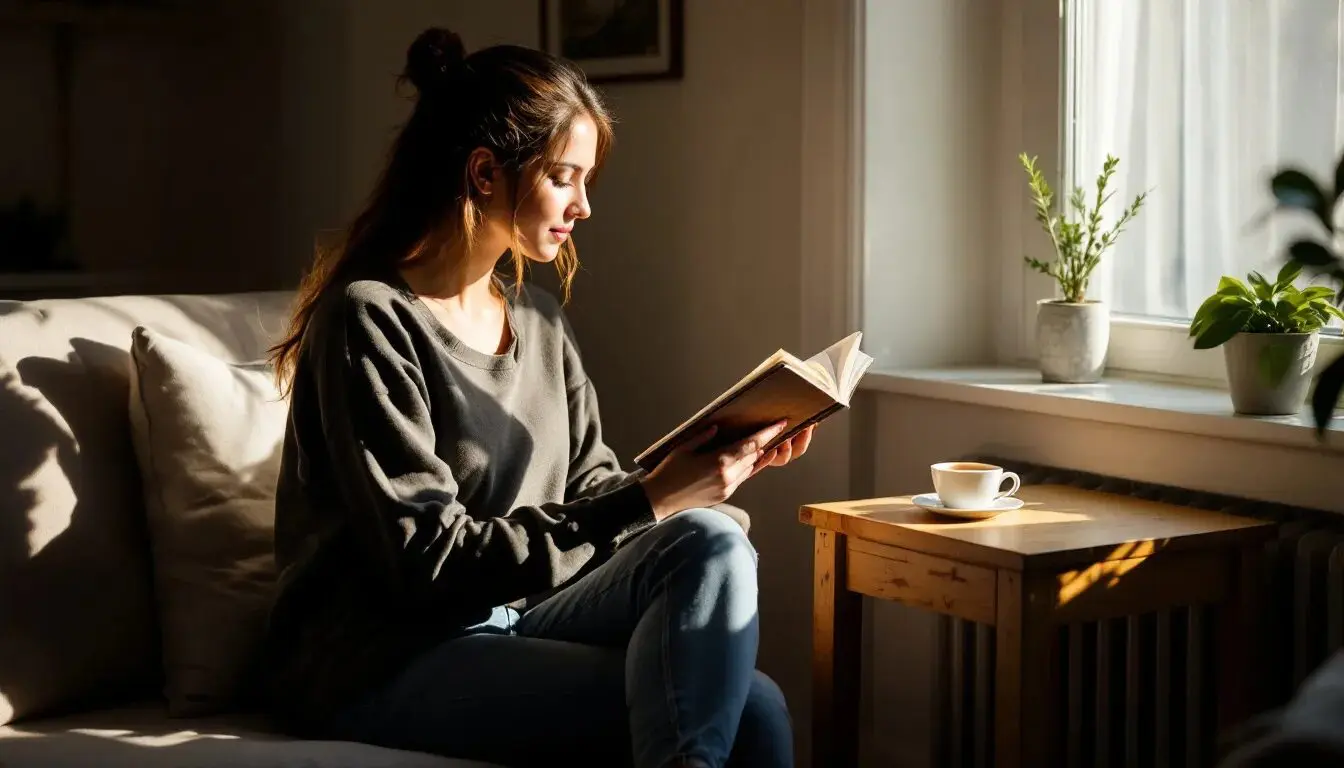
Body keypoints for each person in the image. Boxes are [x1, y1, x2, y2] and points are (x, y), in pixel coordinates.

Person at [261, 27, 815, 768]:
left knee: (714, 548)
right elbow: (428, 563)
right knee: (751, 712)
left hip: (520, 617)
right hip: (384, 653)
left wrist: (699, 472)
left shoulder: (539, 322)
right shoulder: (369, 319)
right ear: (485, 172)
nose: (584, 205)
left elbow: (593, 495)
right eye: (565, 177)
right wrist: (648, 498)